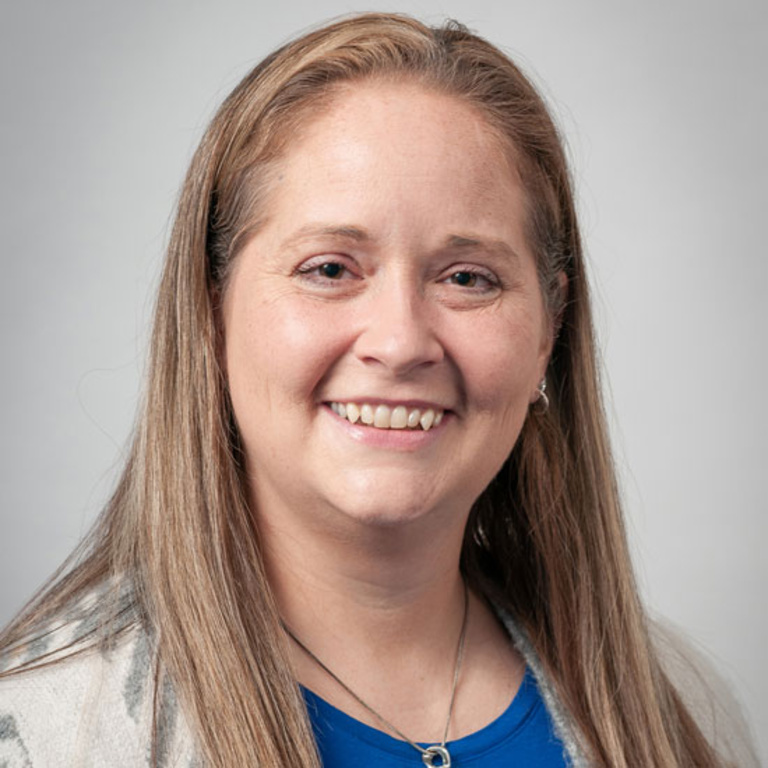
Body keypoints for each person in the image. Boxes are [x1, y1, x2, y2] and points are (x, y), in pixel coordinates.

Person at [0, 12, 758, 768]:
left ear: (548, 334)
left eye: (467, 278)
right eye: (330, 269)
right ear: (210, 313)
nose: (399, 343)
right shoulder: (45, 732)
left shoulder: (675, 716)